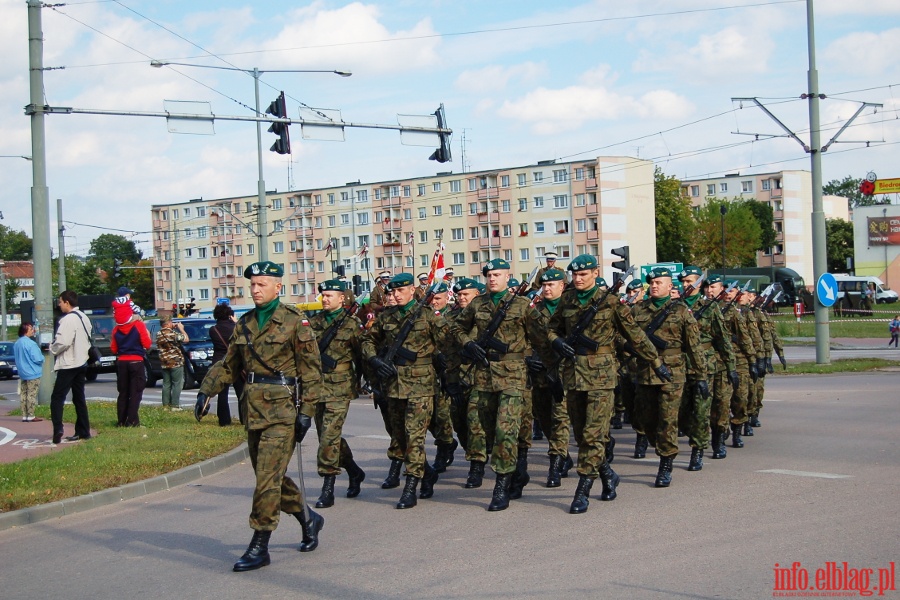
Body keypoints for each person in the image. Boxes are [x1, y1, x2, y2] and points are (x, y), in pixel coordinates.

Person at [196, 261, 325, 572]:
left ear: (278, 287)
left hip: (283, 411)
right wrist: (206, 391)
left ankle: (259, 544)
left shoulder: (296, 322)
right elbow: (229, 365)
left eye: (261, 284)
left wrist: (307, 412)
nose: (255, 290)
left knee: (266, 479)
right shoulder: (245, 323)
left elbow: (312, 372)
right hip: (252, 410)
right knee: (271, 478)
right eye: (252, 285)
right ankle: (308, 518)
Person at [548, 256, 668, 512]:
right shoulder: (567, 299)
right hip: (573, 374)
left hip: (601, 376)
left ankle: (583, 489)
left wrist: (655, 362)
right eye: (575, 275)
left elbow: (635, 336)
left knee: (593, 434)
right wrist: (557, 341)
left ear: (595, 273)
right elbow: (552, 328)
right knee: (581, 436)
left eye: (583, 275)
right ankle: (607, 473)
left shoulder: (611, 302)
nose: (578, 279)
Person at [455, 258, 548, 511]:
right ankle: (517, 473)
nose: (492, 278)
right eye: (488, 275)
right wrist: (468, 344)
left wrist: (540, 366)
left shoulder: (522, 305)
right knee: (481, 429)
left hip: (514, 376)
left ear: (508, 277)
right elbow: (456, 328)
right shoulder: (477, 304)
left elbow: (542, 337)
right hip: (484, 375)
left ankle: (501, 485)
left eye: (497, 274)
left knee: (505, 430)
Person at [363, 273, 462, 508]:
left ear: (412, 291)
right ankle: (427, 473)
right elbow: (368, 341)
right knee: (401, 438)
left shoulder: (427, 316)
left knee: (415, 437)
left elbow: (448, 343)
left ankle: (411, 486)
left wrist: (449, 374)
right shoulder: (386, 317)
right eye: (392, 292)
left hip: (421, 385)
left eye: (400, 291)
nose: (395, 295)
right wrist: (375, 360)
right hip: (393, 384)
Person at [631, 267, 706, 488]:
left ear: (670, 286)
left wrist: (700, 376)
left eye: (659, 282)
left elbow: (694, 347)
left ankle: (666, 463)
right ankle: (660, 446)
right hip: (645, 372)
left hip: (672, 373)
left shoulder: (681, 311)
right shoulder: (638, 310)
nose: (654, 285)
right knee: (647, 420)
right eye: (651, 282)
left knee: (667, 420)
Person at [308, 279, 367, 508]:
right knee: (327, 435)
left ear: (342, 298)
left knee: (329, 436)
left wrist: (366, 381)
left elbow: (362, 354)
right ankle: (354, 471)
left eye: (330, 295)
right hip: (317, 386)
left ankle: (328, 486)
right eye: (323, 295)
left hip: (340, 386)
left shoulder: (352, 325)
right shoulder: (314, 323)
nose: (325, 299)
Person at [677, 268, 735, 472]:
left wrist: (731, 367)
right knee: (681, 413)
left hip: (705, 365)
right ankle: (696, 436)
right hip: (679, 365)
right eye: (683, 281)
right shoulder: (675, 306)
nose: (685, 285)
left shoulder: (710, 308)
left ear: (698, 284)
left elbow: (723, 340)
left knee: (702, 410)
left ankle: (699, 449)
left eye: (689, 281)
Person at [528, 268, 574, 488]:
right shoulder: (533, 311)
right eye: (544, 285)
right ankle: (563, 455)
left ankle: (554, 466)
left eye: (551, 285)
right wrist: (529, 358)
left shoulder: (571, 309)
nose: (546, 289)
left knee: (560, 419)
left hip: (564, 372)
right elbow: (524, 339)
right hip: (540, 373)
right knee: (545, 419)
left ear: (562, 286)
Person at [49, 290, 93, 444]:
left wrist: (51, 348)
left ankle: (58, 429)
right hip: (82, 362)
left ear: (67, 302)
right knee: (79, 398)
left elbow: (63, 342)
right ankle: (84, 430)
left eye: (60, 302)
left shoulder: (68, 320)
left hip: (68, 363)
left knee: (57, 397)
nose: (59, 305)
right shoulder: (84, 318)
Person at [110, 302, 152, 427]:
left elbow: (113, 348)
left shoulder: (116, 329)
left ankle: (121, 421)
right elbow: (147, 344)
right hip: (136, 361)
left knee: (123, 393)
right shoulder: (138, 325)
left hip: (122, 362)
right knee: (136, 392)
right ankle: (132, 421)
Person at [210, 304, 244, 425]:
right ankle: (244, 418)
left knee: (222, 393)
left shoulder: (213, 329)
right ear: (230, 315)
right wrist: (236, 322)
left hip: (221, 362)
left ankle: (224, 420)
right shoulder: (236, 328)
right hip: (236, 362)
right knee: (241, 392)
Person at [157, 315, 190, 413]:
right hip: (175, 361)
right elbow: (186, 339)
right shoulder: (171, 333)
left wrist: (173, 327)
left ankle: (166, 406)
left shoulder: (159, 333)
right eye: (171, 322)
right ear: (168, 323)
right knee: (177, 383)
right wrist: (181, 329)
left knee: (166, 384)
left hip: (164, 361)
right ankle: (175, 405)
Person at [13, 322, 44, 422]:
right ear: (25, 331)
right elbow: (37, 358)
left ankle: (24, 414)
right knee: (32, 394)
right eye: (30, 329)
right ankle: (31, 415)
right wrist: (42, 358)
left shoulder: (17, 343)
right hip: (33, 372)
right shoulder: (31, 343)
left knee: (24, 394)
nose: (32, 331)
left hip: (22, 372)